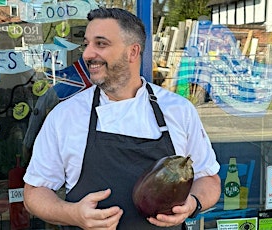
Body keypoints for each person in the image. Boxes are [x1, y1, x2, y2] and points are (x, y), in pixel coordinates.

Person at [23, 7, 221, 229]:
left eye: (101, 44)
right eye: (86, 44)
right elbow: (34, 192)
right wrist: (72, 214)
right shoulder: (66, 115)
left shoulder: (178, 110)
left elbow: (208, 179)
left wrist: (192, 203)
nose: (87, 54)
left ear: (133, 52)